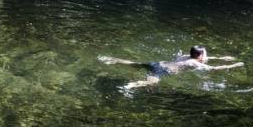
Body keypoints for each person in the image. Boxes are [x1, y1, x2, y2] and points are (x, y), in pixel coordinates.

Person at [98, 46, 244, 90]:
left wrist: (221, 57)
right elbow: (214, 69)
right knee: (152, 82)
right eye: (204, 54)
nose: (206, 56)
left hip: (158, 63)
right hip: (163, 71)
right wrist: (234, 65)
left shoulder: (186, 57)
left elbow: (205, 59)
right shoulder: (195, 63)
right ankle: (129, 86)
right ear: (199, 56)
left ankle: (113, 60)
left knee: (136, 64)